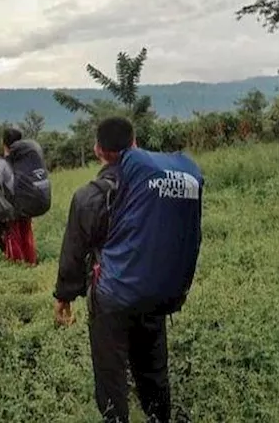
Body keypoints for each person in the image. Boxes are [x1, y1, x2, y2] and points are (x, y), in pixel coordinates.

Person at [53, 117, 204, 423]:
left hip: (110, 298)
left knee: (111, 373)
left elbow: (73, 252)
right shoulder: (158, 187)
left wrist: (64, 296)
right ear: (135, 144)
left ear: (98, 150)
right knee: (153, 367)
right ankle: (159, 417)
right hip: (153, 289)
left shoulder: (89, 196)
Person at [0, 126, 51, 266]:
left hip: (12, 208)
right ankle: (31, 264)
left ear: (4, 143)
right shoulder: (27, 161)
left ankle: (17, 266)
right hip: (27, 203)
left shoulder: (1, 163)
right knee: (26, 235)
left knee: (13, 237)